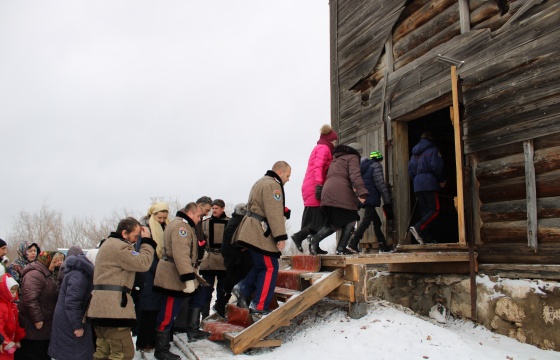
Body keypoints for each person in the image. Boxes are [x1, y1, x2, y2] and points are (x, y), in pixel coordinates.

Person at [85, 217, 156, 360]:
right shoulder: (120, 247)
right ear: (124, 233)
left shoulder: (108, 244)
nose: (137, 240)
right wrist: (147, 241)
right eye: (135, 236)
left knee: (103, 352)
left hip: (100, 307)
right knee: (123, 353)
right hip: (113, 309)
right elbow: (143, 263)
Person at [234, 161, 291, 315]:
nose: (288, 179)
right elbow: (273, 213)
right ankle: (259, 306)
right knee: (270, 267)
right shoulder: (273, 185)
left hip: (251, 229)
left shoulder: (260, 182)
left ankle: (243, 288)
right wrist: (280, 236)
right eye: (287, 175)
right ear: (279, 172)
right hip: (259, 232)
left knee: (261, 265)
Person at [152, 202, 208, 359]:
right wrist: (188, 277)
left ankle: (169, 342)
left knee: (173, 309)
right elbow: (181, 253)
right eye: (198, 216)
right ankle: (161, 350)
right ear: (190, 213)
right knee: (168, 312)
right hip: (172, 277)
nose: (199, 219)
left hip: (176, 273)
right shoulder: (181, 227)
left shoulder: (181, 225)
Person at [309, 143, 368, 255]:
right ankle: (339, 247)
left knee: (337, 221)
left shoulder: (336, 159)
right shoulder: (353, 157)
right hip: (339, 191)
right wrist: (362, 192)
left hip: (329, 191)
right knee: (351, 217)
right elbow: (355, 176)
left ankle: (317, 241)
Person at [291, 124, 338, 255]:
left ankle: (314, 246)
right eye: (334, 141)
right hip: (314, 187)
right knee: (321, 221)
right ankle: (298, 237)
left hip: (310, 186)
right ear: (330, 140)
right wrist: (319, 186)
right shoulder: (323, 148)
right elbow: (318, 167)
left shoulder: (320, 147)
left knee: (316, 220)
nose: (335, 144)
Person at [173, 196, 212, 333]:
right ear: (198, 206)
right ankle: (182, 327)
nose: (206, 214)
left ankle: (190, 327)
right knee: (184, 298)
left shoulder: (195, 221)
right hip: (185, 268)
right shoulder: (183, 224)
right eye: (206, 210)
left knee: (197, 295)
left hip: (192, 265)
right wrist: (187, 275)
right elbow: (181, 251)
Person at [135, 203, 169, 352]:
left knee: (157, 309)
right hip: (148, 274)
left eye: (164, 218)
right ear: (152, 215)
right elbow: (142, 253)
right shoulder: (145, 231)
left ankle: (154, 340)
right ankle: (144, 342)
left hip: (161, 273)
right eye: (159, 217)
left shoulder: (165, 228)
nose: (162, 220)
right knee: (147, 309)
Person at [48, 253, 94, 360]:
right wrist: (77, 325)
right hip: (69, 322)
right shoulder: (80, 276)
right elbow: (72, 302)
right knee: (75, 354)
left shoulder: (80, 273)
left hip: (68, 320)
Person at [16, 251, 61, 360]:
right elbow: (30, 299)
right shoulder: (35, 275)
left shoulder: (45, 273)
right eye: (53, 261)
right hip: (33, 325)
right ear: (46, 260)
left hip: (44, 324)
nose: (56, 264)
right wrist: (37, 319)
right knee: (34, 353)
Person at [190, 199, 229, 324]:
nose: (214, 210)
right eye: (213, 208)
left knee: (222, 290)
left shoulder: (229, 222)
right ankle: (204, 316)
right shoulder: (205, 223)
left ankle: (220, 313)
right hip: (209, 260)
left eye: (216, 208)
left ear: (223, 208)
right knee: (206, 290)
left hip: (224, 261)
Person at [348, 151, 394, 253]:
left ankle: (383, 246)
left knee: (377, 222)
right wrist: (387, 201)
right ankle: (353, 243)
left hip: (364, 196)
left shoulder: (364, 167)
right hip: (371, 197)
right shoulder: (376, 166)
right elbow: (380, 184)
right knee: (366, 221)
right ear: (379, 159)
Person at [408, 132, 446, 244]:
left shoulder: (414, 153)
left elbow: (410, 170)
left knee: (425, 212)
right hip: (429, 183)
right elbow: (436, 166)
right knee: (435, 209)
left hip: (417, 185)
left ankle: (425, 237)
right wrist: (441, 180)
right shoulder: (433, 149)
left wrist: (416, 181)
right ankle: (418, 228)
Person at [217, 203, 251, 317]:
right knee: (232, 282)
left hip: (232, 256)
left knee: (231, 282)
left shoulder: (234, 220)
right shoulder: (238, 222)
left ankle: (221, 305)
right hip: (235, 257)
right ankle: (220, 306)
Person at [0, 274, 25, 359]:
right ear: (5, 291)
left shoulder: (12, 305)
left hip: (10, 342)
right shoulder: (1, 307)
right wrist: (6, 341)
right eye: (12, 292)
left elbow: (16, 324)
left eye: (16, 292)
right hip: (4, 344)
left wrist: (17, 339)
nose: (14, 294)